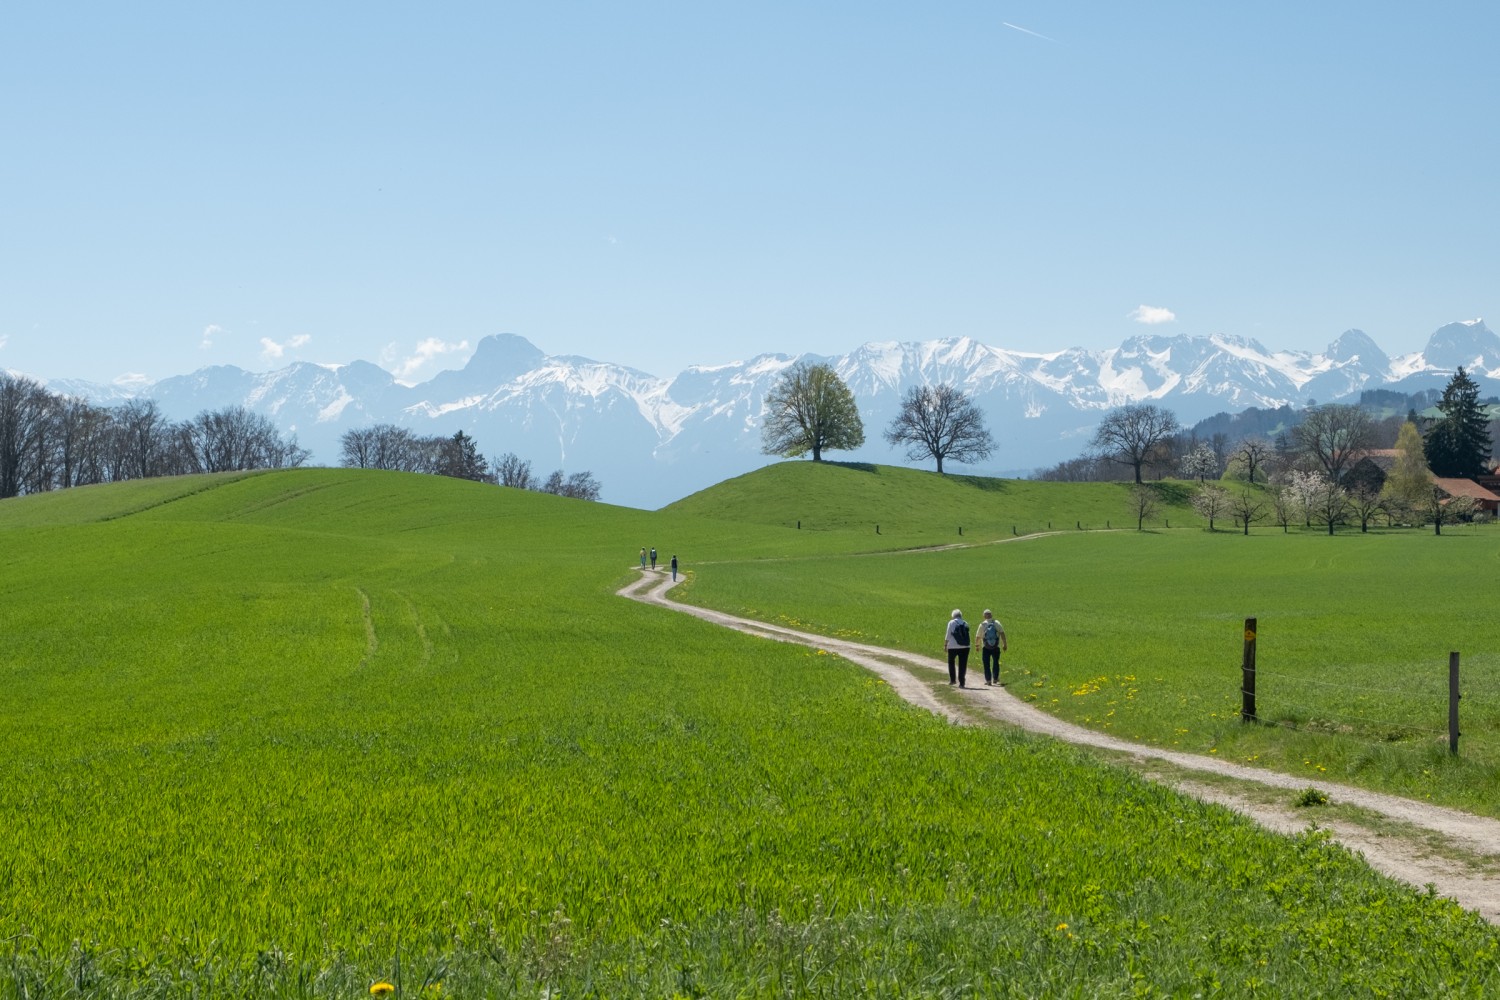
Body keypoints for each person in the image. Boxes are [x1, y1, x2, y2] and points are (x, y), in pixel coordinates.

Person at [979, 609, 1008, 686]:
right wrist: (1005, 644)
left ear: (984, 616)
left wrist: (977, 645)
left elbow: (978, 636)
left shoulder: (982, 624)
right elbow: (1002, 633)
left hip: (985, 647)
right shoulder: (996, 623)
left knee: (986, 664)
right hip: (996, 646)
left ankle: (988, 680)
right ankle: (995, 678)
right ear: (991, 615)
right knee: (996, 662)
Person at [944, 609, 971, 688]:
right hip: (965, 647)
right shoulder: (965, 623)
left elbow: (948, 634)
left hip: (953, 646)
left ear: (953, 616)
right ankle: (962, 683)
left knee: (951, 662)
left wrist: (945, 645)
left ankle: (953, 680)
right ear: (960, 615)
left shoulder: (951, 622)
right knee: (963, 664)